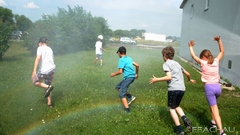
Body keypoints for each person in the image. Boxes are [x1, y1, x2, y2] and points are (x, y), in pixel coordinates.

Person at [149, 46, 196, 135]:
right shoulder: (177, 63)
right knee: (177, 105)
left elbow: (169, 77)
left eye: (162, 55)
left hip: (174, 89)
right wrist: (189, 79)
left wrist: (156, 79)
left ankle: (180, 130)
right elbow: (188, 73)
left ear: (165, 55)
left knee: (171, 109)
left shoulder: (166, 64)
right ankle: (185, 119)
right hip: (182, 88)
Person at [188, 36, 226, 135]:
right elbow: (222, 51)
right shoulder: (216, 61)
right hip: (218, 88)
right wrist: (219, 41)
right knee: (212, 105)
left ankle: (221, 131)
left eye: (201, 58)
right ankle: (213, 122)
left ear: (204, 57)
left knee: (215, 110)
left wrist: (191, 47)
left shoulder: (204, 63)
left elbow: (193, 56)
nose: (201, 60)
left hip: (209, 88)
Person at [110, 46, 139, 113]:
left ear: (119, 53)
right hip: (132, 77)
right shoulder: (129, 58)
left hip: (128, 78)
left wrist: (113, 74)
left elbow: (120, 71)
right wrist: (137, 74)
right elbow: (137, 65)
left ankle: (127, 111)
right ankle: (130, 97)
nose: (118, 54)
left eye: (118, 53)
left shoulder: (121, 60)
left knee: (121, 94)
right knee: (118, 87)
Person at [32, 37, 56, 108]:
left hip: (44, 71)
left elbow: (38, 58)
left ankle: (49, 87)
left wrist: (34, 71)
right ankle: (50, 104)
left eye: (39, 43)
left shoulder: (40, 48)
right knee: (47, 86)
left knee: (35, 82)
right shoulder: (50, 49)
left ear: (41, 43)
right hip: (52, 69)